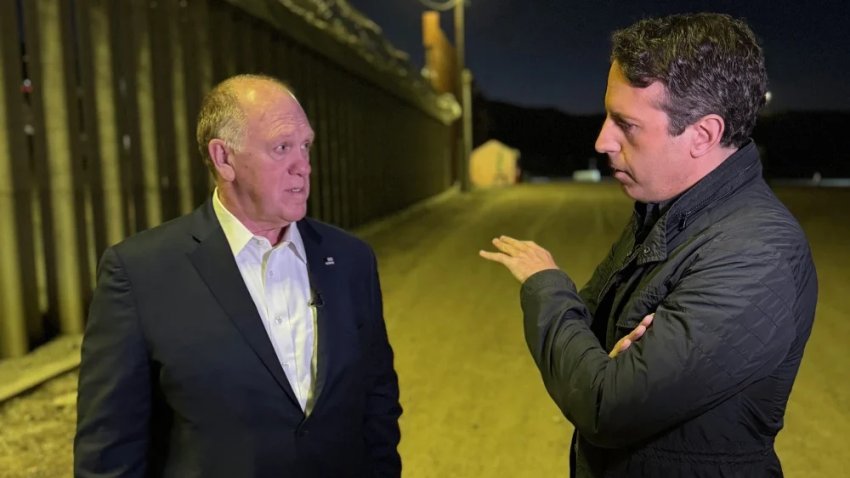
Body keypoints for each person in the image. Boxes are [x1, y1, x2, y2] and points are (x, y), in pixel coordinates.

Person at [480, 13, 817, 477]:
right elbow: (594, 338)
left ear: (703, 134)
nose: (602, 140)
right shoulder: (665, 210)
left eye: (627, 124)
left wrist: (546, 286)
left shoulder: (756, 254)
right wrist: (603, 361)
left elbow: (603, 405)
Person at [75, 74, 402, 477]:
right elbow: (110, 448)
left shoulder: (351, 259)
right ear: (224, 159)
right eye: (282, 148)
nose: (303, 166)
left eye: (305, 146)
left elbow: (378, 396)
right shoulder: (140, 273)